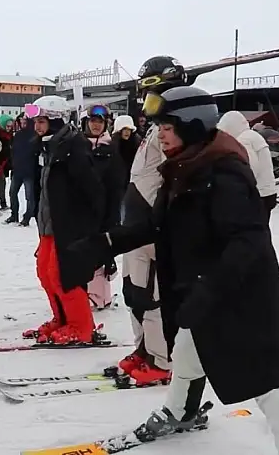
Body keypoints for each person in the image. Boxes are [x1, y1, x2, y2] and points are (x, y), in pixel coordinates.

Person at [62, 86, 279, 455]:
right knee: (186, 351)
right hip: (205, 294)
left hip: (241, 299)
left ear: (193, 125)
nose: (159, 135)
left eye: (167, 127)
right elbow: (158, 224)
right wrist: (102, 244)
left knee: (269, 390)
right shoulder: (186, 166)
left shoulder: (225, 172)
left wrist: (208, 290)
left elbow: (248, 243)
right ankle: (181, 411)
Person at [115, 55, 188, 385]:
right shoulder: (155, 128)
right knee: (134, 292)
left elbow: (177, 179)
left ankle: (161, 359)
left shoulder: (178, 127)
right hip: (135, 223)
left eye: (153, 91)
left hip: (153, 226)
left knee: (153, 295)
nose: (147, 100)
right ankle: (143, 350)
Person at [21, 103, 104, 344]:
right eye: (35, 121)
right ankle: (63, 319)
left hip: (68, 225)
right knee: (45, 273)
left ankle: (81, 326)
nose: (36, 126)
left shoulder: (73, 147)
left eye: (42, 121)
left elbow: (92, 190)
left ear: (56, 121)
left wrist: (86, 226)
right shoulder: (48, 147)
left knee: (62, 275)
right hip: (49, 223)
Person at [84, 104, 124, 310]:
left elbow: (116, 186)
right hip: (83, 211)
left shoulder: (111, 149)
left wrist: (113, 217)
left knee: (100, 254)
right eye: (93, 122)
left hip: (103, 211)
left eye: (100, 122)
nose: (96, 125)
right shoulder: (80, 146)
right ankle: (88, 293)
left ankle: (99, 296)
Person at [218, 111, 278, 221]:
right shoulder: (253, 135)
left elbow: (250, 168)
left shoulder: (243, 140)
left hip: (257, 193)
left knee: (253, 230)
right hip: (267, 191)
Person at [5, 113, 39, 226]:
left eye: (25, 121)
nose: (22, 124)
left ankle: (27, 218)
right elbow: (13, 152)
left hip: (29, 171)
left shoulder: (35, 136)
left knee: (29, 197)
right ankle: (14, 215)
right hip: (17, 170)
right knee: (12, 193)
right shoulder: (18, 135)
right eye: (21, 121)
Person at [111, 114, 141, 188]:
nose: (127, 132)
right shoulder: (112, 146)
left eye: (129, 129)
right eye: (124, 129)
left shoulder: (137, 144)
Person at [0, 114, 14, 211]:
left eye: (10, 126)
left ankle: (0, 203)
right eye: (7, 126)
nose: (9, 128)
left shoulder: (9, 134)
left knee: (1, 183)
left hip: (4, 162)